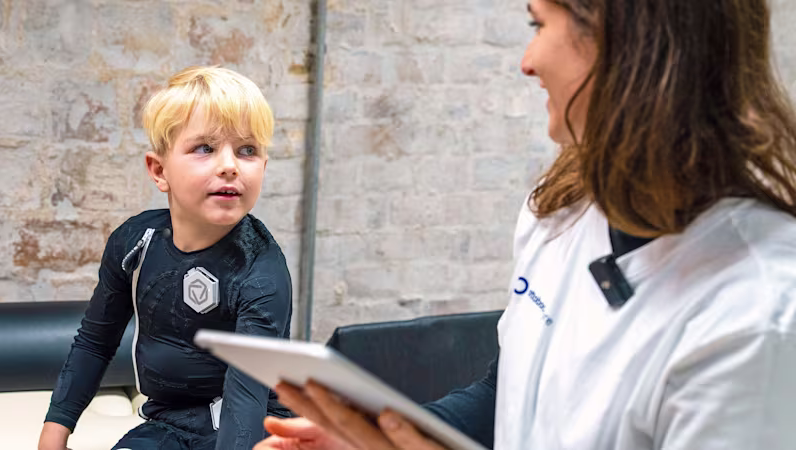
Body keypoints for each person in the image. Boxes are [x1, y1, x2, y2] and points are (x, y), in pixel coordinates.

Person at [254, 0, 796, 448]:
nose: (527, 62)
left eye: (537, 25)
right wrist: (379, 436)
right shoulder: (560, 208)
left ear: (627, 44)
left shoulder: (756, 316)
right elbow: (507, 397)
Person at [38, 66, 293, 450]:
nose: (230, 165)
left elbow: (246, 398)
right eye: (205, 148)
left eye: (247, 150)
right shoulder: (135, 244)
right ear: (159, 171)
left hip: (258, 427)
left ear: (264, 168)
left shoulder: (262, 271)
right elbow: (95, 341)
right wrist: (53, 434)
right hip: (167, 423)